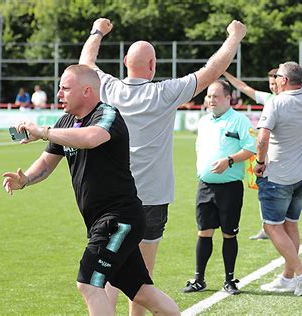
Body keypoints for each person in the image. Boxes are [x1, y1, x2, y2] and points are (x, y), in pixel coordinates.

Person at [80, 18, 247, 314]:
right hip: (152, 198)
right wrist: (234, 37)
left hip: (113, 199)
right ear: (153, 65)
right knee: (140, 278)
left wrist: (97, 32)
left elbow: (86, 63)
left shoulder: (109, 88)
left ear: (124, 63)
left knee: (106, 275)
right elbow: (212, 71)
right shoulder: (164, 93)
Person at [2, 64, 180, 315]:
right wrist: (25, 180)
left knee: (87, 282)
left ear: (86, 91)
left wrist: (43, 132)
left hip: (119, 220)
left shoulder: (107, 114)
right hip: (104, 221)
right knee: (142, 291)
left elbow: (91, 138)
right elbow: (46, 162)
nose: (59, 93)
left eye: (65, 88)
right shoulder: (65, 122)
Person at [253, 17, 302, 296]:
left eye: (277, 77)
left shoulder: (275, 102)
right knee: (290, 224)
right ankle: (288, 276)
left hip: (278, 176)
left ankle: (301, 273)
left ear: (283, 80)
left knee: (272, 227)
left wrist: (260, 163)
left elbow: (262, 137)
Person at [224, 55, 302, 239]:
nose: (272, 87)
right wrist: (224, 72)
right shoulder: (271, 98)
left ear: (282, 81)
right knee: (284, 196)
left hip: (282, 161)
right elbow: (243, 87)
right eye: (270, 84)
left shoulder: (280, 100)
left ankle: (289, 224)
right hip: (281, 160)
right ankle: (271, 228)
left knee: (285, 194)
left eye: (275, 83)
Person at [182, 80, 256, 295]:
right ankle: (199, 280)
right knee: (203, 233)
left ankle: (229, 280)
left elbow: (251, 148)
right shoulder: (204, 121)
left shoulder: (239, 120)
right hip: (205, 186)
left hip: (229, 188)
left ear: (227, 98)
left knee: (228, 234)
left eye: (215, 96)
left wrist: (229, 161)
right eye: (208, 96)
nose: (210, 100)